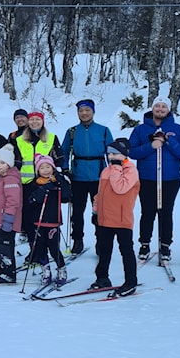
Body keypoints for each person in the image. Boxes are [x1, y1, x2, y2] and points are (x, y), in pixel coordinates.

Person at [127, 96, 180, 263]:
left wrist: (169, 141)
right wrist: (151, 146)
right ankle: (144, 243)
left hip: (169, 179)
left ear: (168, 109)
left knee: (166, 212)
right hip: (147, 178)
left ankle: (165, 245)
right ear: (152, 108)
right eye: (157, 106)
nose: (160, 109)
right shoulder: (140, 129)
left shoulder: (178, 129)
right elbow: (131, 152)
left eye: (164, 106)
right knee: (147, 212)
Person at [60, 99, 113, 254]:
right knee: (77, 211)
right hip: (78, 176)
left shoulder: (103, 130)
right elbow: (64, 152)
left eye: (87, 110)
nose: (84, 113)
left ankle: (100, 240)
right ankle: (77, 239)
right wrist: (65, 169)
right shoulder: (72, 132)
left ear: (93, 112)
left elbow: (112, 152)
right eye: (81, 111)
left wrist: (114, 170)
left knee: (100, 211)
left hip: (99, 176)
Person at [91, 138, 140, 297]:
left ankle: (130, 282)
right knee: (104, 249)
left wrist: (117, 168)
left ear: (124, 154)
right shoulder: (107, 170)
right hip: (105, 218)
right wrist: (95, 211)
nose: (111, 157)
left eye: (115, 154)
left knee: (126, 250)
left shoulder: (130, 171)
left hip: (121, 218)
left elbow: (120, 188)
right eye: (110, 153)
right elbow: (100, 193)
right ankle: (102, 278)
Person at [14, 111, 64, 252]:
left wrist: (61, 173)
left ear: (43, 121)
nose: (34, 122)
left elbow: (59, 158)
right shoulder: (20, 139)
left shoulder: (51, 138)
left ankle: (52, 248)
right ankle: (35, 250)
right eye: (32, 119)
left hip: (46, 183)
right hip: (26, 183)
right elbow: (15, 161)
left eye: (38, 119)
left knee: (48, 218)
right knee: (29, 219)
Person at [28, 155, 72, 286]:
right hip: (38, 221)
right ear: (37, 170)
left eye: (48, 167)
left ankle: (61, 269)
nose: (45, 170)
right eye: (42, 168)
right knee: (40, 247)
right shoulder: (34, 184)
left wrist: (61, 181)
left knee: (54, 248)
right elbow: (32, 201)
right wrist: (43, 189)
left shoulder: (57, 183)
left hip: (53, 220)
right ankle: (45, 270)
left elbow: (66, 197)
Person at [0, 145, 22, 283]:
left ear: (9, 164)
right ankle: (0, 270)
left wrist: (8, 219)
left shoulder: (10, 178)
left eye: (2, 163)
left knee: (5, 247)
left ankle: (9, 273)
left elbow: (13, 201)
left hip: (7, 221)